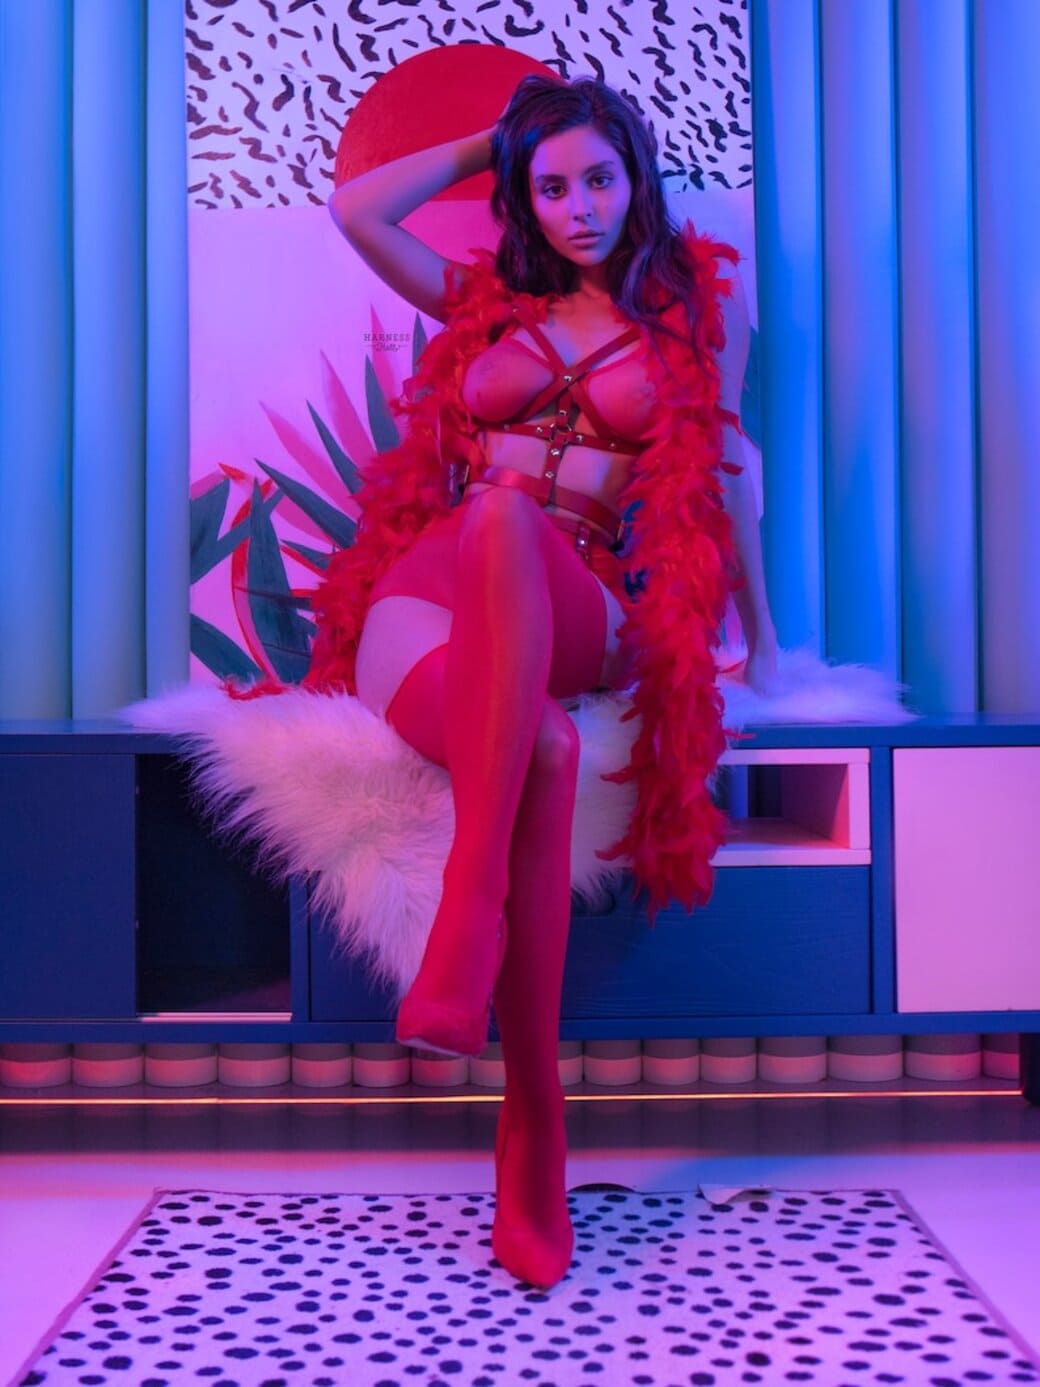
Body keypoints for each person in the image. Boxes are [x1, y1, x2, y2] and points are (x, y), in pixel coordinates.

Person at [308, 74, 778, 1288]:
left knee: (505, 517)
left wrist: (767, 646)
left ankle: (465, 913)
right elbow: (355, 211)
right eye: (551, 185)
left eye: (599, 179)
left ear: (637, 179)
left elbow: (728, 469)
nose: (578, 207)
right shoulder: (482, 302)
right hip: (429, 599)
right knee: (548, 747)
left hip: (575, 600)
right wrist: (496, 136)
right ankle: (533, 1133)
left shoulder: (690, 323)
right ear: (522, 195)